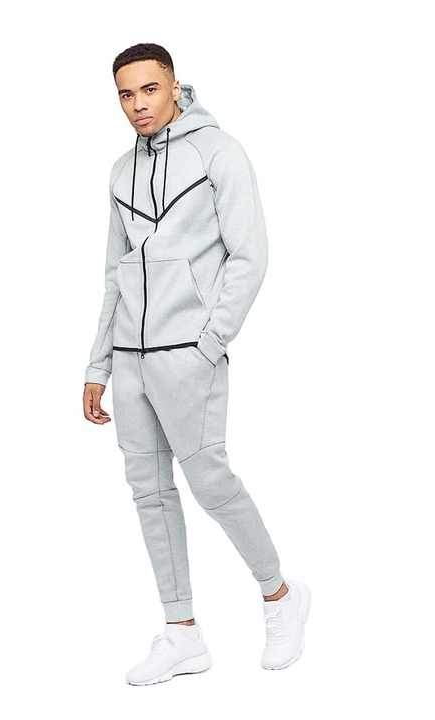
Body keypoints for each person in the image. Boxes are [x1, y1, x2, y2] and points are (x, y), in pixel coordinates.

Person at [82, 43, 311, 686]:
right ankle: (181, 632)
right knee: (149, 493)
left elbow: (250, 255)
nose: (138, 105)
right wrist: (98, 365)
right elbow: (115, 273)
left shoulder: (219, 154)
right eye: (126, 95)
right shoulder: (120, 171)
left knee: (210, 480)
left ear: (175, 85)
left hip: (189, 353)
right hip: (130, 359)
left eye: (149, 89)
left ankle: (280, 595)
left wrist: (210, 340)